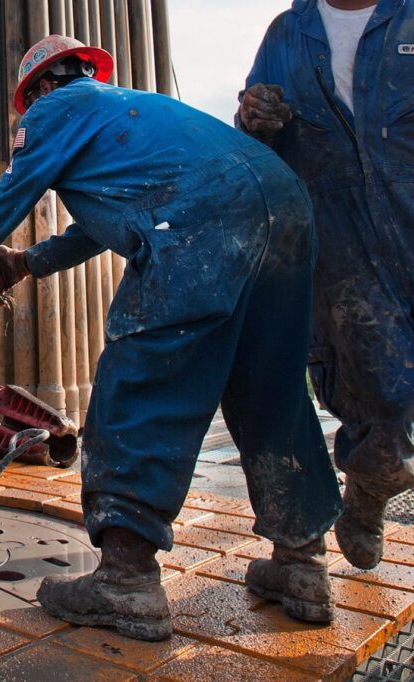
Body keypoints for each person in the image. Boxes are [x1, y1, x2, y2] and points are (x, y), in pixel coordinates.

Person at [0, 36, 342, 641]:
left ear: (40, 89)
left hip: (198, 221)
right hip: (283, 207)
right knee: (271, 388)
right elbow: (101, 224)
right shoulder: (134, 110)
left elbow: (2, 202)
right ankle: (302, 563)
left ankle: (126, 581)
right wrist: (28, 263)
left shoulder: (56, 110)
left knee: (141, 383)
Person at [238, 0, 413, 571]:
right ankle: (371, 483)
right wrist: (254, 120)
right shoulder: (289, 34)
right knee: (380, 388)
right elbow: (253, 137)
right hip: (341, 239)